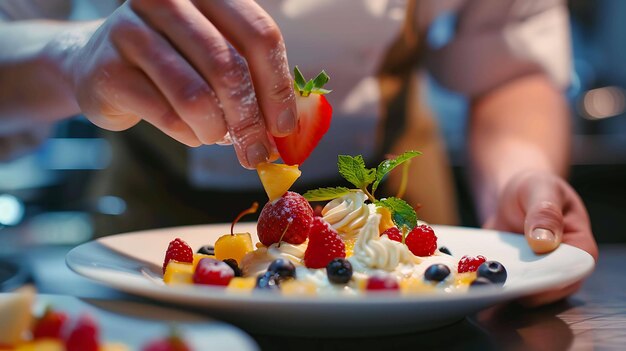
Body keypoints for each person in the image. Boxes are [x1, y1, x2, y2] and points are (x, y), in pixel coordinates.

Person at [0, 0, 597, 306]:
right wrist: (72, 55)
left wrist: (521, 177)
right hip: (149, 254)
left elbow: (508, 63)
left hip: (399, 246)